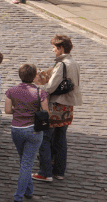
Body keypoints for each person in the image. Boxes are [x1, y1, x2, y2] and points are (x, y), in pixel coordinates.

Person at [34, 34, 82, 183]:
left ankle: (45, 172)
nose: (53, 50)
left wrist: (40, 86)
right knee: (60, 139)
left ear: (61, 48)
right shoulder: (73, 62)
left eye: (54, 48)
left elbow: (50, 87)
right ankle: (59, 171)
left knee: (45, 138)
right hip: (68, 107)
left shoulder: (62, 65)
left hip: (55, 107)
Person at [5, 64, 49, 202]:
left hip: (16, 129)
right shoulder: (39, 92)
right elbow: (46, 113)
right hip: (33, 130)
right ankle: (19, 196)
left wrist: (18, 111)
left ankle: (29, 191)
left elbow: (7, 110)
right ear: (34, 75)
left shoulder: (11, 91)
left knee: (24, 161)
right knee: (27, 163)